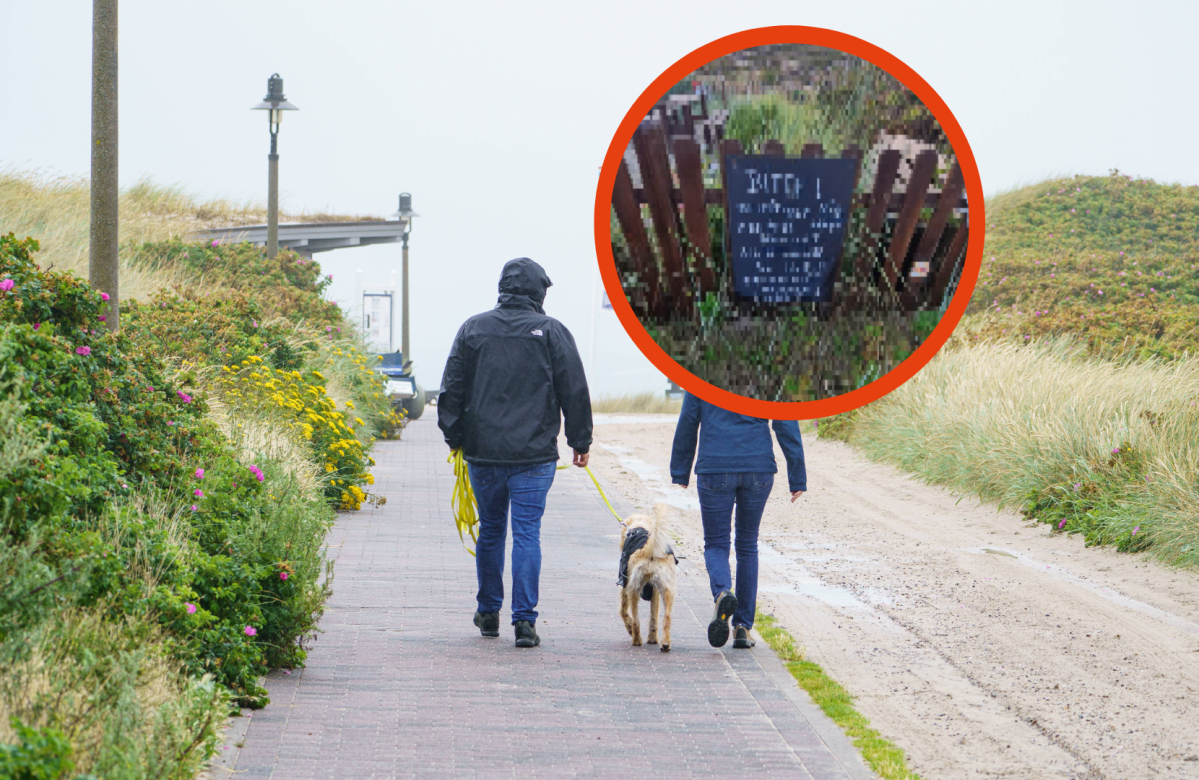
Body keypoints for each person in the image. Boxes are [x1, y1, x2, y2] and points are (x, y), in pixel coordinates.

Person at [438, 258, 592, 648]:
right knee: (527, 533)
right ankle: (524, 622)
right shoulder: (552, 331)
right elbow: (573, 389)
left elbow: (451, 389)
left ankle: (489, 612)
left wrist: (454, 437)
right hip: (535, 456)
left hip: (483, 453)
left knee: (491, 529)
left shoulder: (474, 328)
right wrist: (580, 441)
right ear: (538, 291)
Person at [669, 392, 806, 649]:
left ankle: (722, 592)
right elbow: (785, 421)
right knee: (747, 545)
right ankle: (742, 627)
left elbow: (688, 419)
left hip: (714, 466)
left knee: (716, 544)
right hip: (758, 466)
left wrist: (680, 469)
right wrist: (797, 474)